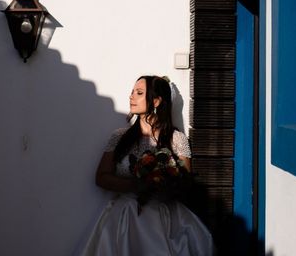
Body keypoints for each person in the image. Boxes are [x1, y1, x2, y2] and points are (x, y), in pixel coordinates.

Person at [77, 75, 214, 256]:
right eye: (132, 92)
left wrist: (163, 184)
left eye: (139, 93)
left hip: (164, 218)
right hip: (124, 218)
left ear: (156, 101)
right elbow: (101, 177)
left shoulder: (176, 139)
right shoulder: (119, 137)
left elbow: (185, 183)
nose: (131, 96)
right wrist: (135, 185)